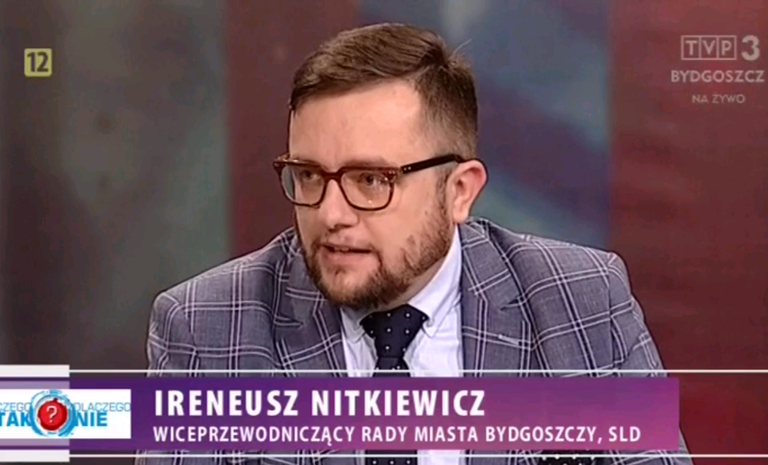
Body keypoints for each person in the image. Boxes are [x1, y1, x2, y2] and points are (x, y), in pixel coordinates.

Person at [137, 23, 691, 465]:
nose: (331, 215)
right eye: (308, 176)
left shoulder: (582, 303)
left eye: (371, 180)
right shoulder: (207, 328)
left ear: (459, 191)